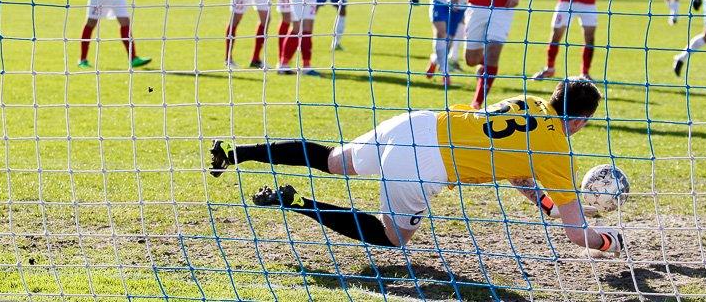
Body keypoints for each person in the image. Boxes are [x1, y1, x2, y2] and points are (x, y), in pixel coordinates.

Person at [209, 79, 623, 255]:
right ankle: (295, 201)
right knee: (394, 239)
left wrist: (546, 203)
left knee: (333, 160)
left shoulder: (529, 102)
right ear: (581, 121)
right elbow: (575, 235)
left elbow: (515, 169)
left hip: (417, 122)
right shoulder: (556, 151)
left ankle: (236, 153)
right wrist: (607, 240)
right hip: (426, 163)